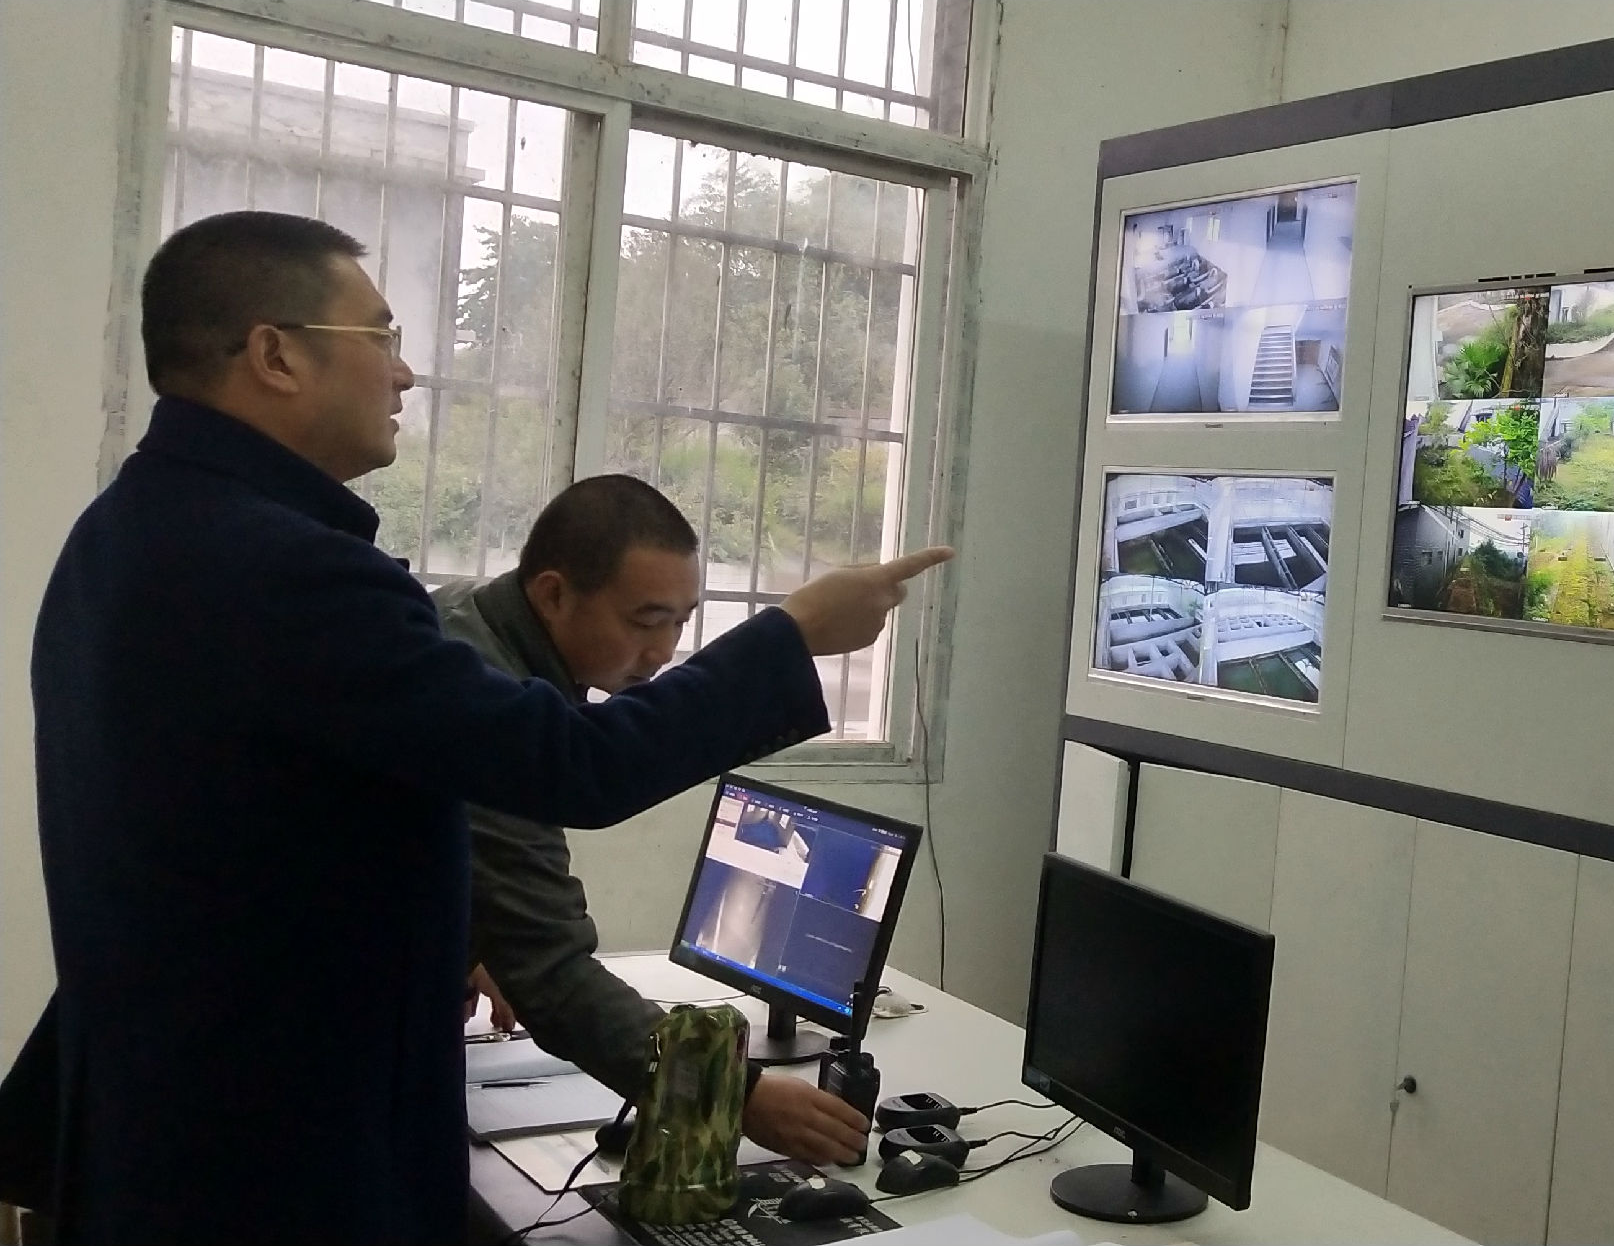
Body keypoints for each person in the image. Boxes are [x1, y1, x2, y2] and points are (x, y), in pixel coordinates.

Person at [0, 211, 949, 1244]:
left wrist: (438, 929)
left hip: (159, 1120)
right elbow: (573, 764)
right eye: (382, 336)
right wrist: (793, 635)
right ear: (275, 354)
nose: (405, 373)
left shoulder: (125, 530)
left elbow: (244, 834)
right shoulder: (289, 571)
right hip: (267, 1158)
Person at [438, 475, 871, 1167]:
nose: (665, 651)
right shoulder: (487, 689)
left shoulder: (468, 617)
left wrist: (477, 936)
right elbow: (553, 977)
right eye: (645, 622)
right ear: (552, 594)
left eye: (680, 621)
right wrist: (736, 1093)